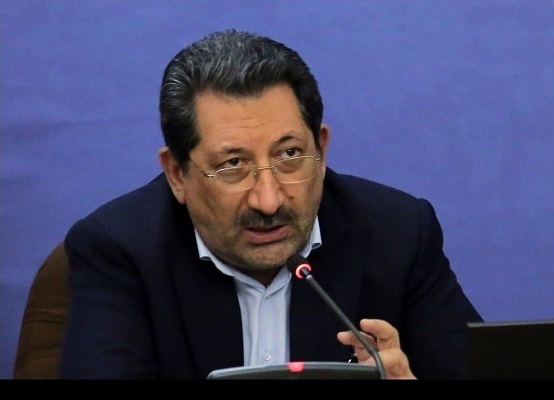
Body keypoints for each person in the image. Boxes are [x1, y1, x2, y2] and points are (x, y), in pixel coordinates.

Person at [59, 28, 483, 380]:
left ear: (321, 150)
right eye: (233, 164)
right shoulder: (120, 251)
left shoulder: (399, 234)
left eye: (290, 155)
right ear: (177, 174)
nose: (269, 200)